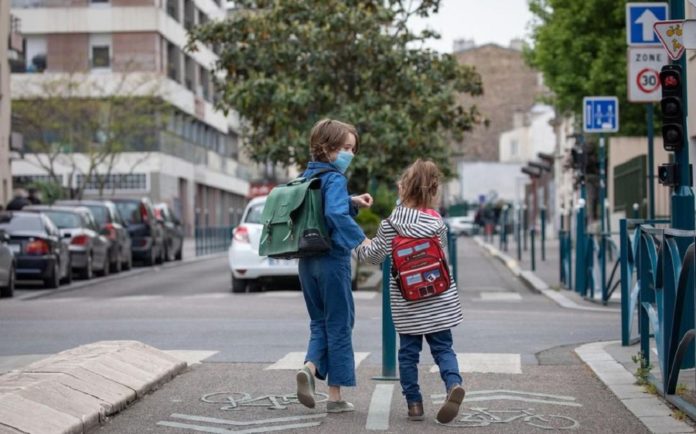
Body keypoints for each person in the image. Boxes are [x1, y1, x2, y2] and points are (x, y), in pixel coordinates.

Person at [356, 159, 465, 424]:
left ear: (403, 188)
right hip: (437, 297)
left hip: (408, 301)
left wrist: (358, 242)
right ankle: (453, 385)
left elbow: (372, 256)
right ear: (433, 191)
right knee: (443, 349)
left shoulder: (391, 224)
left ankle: (414, 404)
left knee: (407, 354)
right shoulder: (437, 223)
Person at [295, 119, 373, 414]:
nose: (350, 154)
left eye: (352, 149)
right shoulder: (336, 179)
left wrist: (352, 201)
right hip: (332, 260)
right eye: (345, 148)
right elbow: (335, 215)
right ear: (326, 148)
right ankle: (335, 396)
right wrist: (362, 241)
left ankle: (309, 367)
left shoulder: (306, 176)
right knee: (340, 324)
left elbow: (321, 209)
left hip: (306, 261)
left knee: (319, 323)